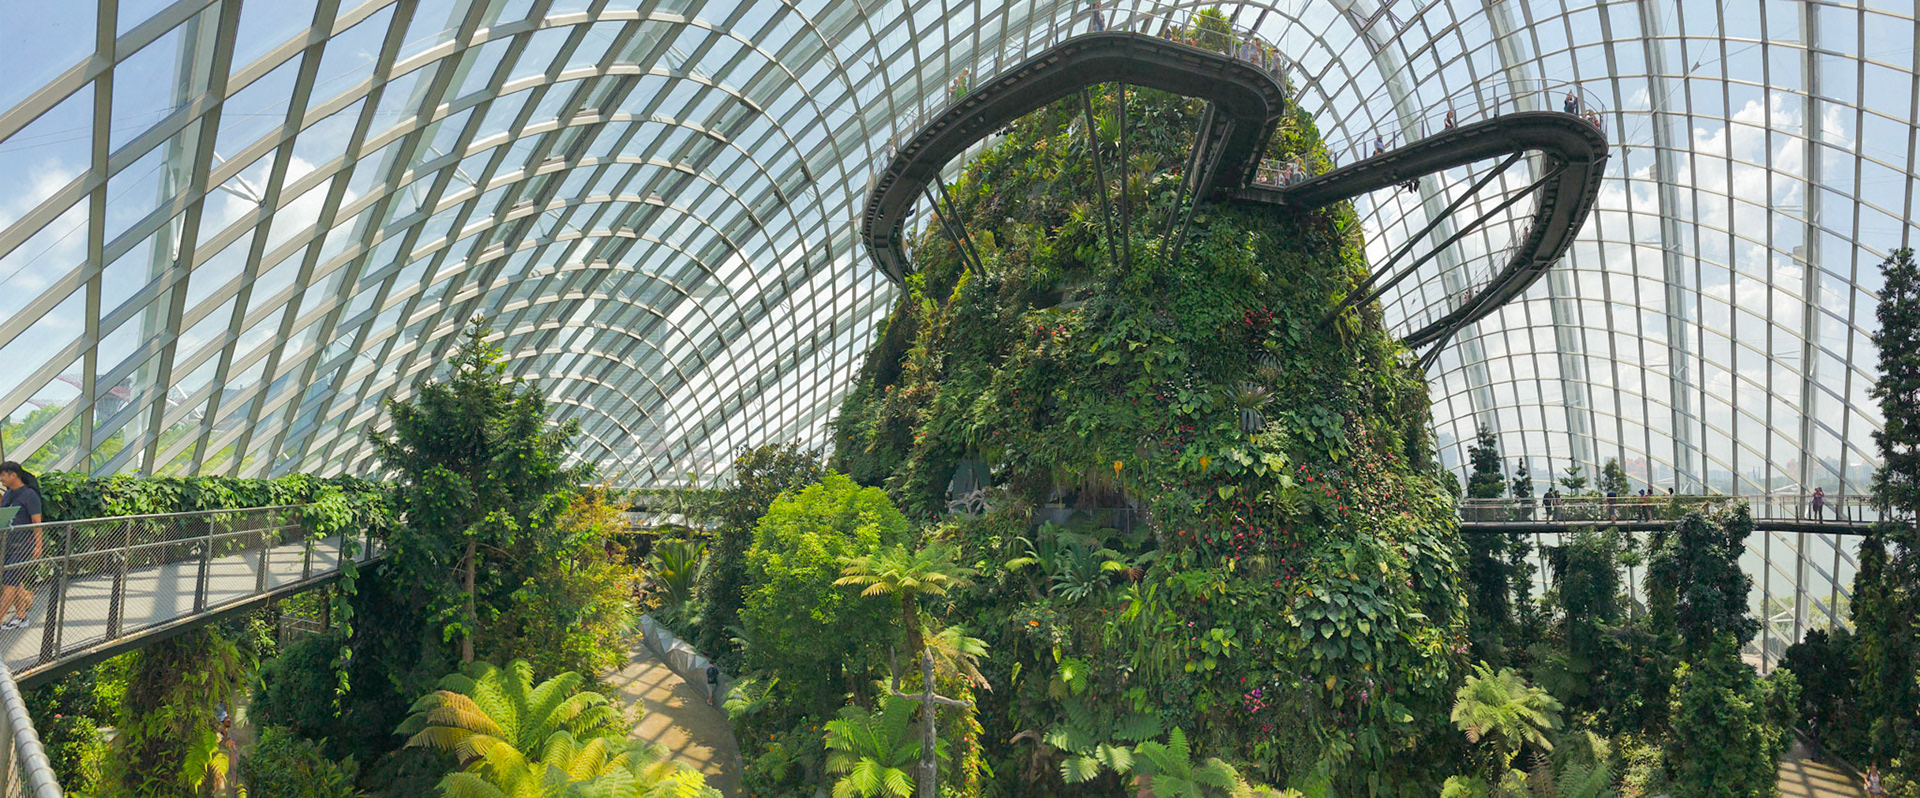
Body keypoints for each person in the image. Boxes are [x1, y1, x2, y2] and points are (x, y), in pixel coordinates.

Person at [0, 462, 44, 631]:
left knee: (9, 584)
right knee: (14, 580)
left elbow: (36, 521)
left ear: (13, 475)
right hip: (8, 543)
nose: (1, 479)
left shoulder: (29, 495)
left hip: (23, 545)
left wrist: (38, 545)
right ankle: (21, 617)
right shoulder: (8, 494)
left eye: (3, 475)